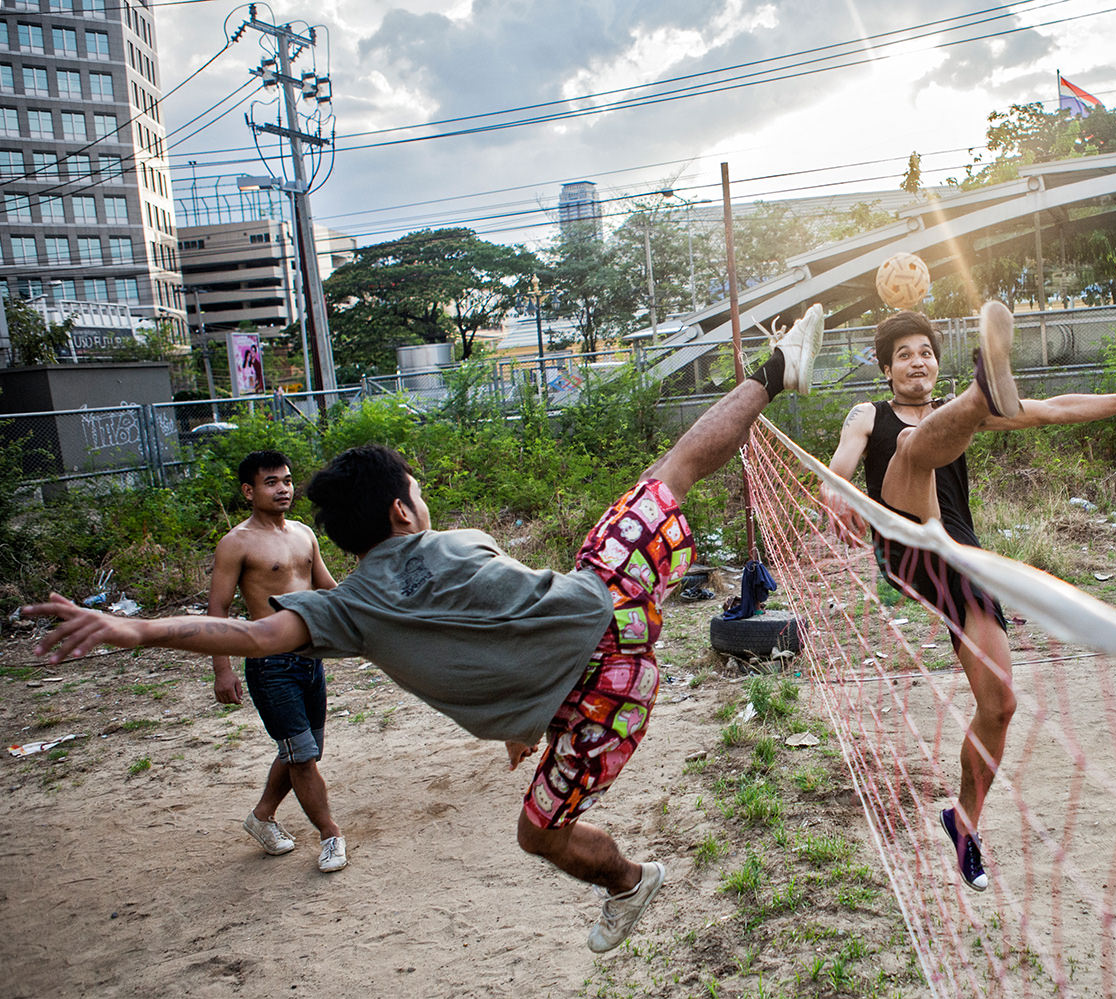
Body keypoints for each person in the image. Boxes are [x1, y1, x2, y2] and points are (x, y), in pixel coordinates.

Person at [25, 305, 827, 954]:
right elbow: (491, 621)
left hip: (601, 703)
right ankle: (777, 372)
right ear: (404, 510)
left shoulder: (349, 608)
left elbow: (248, 635)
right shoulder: (461, 540)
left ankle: (627, 880)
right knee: (669, 473)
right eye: (416, 490)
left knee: (538, 835)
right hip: (613, 607)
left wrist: (133, 632)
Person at [820, 301, 1116, 893]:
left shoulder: (957, 420)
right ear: (887, 370)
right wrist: (834, 492)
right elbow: (838, 465)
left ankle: (964, 824)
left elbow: (1056, 409)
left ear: (936, 365)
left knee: (1000, 705)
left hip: (964, 562)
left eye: (926, 352)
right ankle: (984, 383)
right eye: (905, 355)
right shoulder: (869, 413)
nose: (918, 361)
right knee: (913, 442)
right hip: (906, 543)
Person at [211, 450, 345, 873]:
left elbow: (328, 588)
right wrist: (222, 669)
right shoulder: (236, 543)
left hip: (309, 658)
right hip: (270, 665)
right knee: (302, 756)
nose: (283, 488)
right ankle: (331, 835)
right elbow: (217, 612)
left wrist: (369, 619)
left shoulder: (304, 534)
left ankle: (261, 816)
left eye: (287, 480)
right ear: (249, 491)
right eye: (272, 482)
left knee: (304, 750)